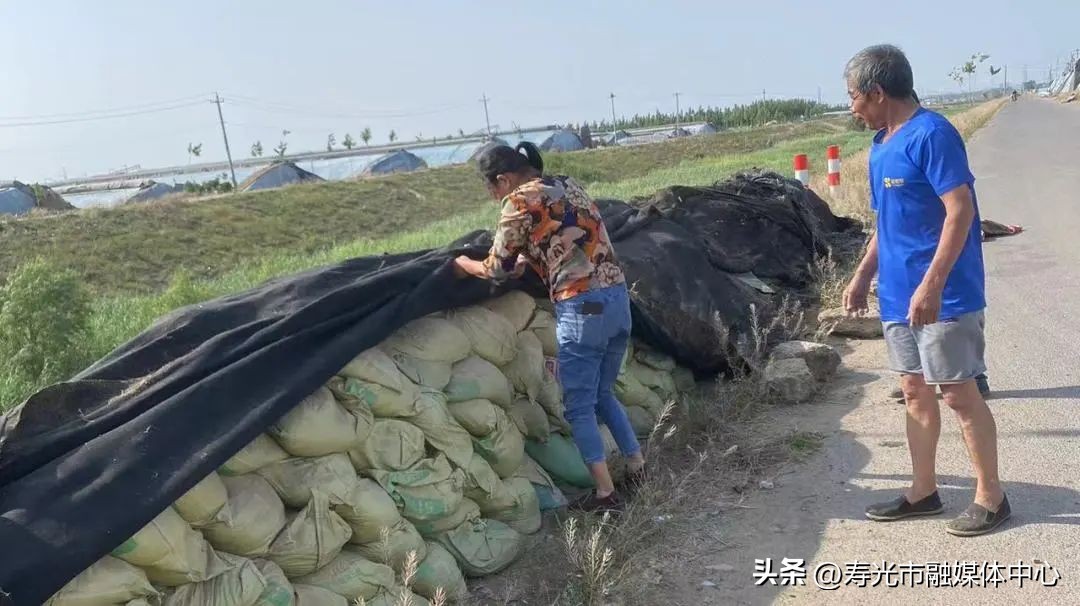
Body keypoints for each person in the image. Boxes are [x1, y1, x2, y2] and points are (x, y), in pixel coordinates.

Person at [842, 44, 1010, 536]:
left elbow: (960, 210)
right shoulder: (880, 144)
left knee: (958, 394)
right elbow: (884, 222)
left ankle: (991, 497)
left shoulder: (932, 135)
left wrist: (932, 283)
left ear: (876, 91)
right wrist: (862, 274)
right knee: (914, 391)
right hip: (897, 296)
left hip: (944, 294)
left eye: (853, 96)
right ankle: (923, 492)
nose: (851, 107)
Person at [454, 142, 645, 513]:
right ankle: (637, 465)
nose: (493, 197)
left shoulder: (518, 201)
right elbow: (568, 234)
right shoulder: (567, 185)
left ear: (503, 179)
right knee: (604, 393)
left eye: (491, 188)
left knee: (578, 407)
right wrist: (534, 255)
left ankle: (606, 495)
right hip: (615, 301)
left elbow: (496, 269)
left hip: (583, 307)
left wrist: (463, 263)